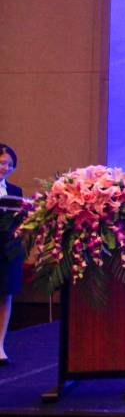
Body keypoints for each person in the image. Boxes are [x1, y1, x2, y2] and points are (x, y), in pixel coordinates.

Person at [0, 144, 24, 365]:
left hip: (8, 250)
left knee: (5, 294)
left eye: (9, 165)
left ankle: (0, 345)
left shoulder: (15, 191)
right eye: (1, 163)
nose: (5, 168)